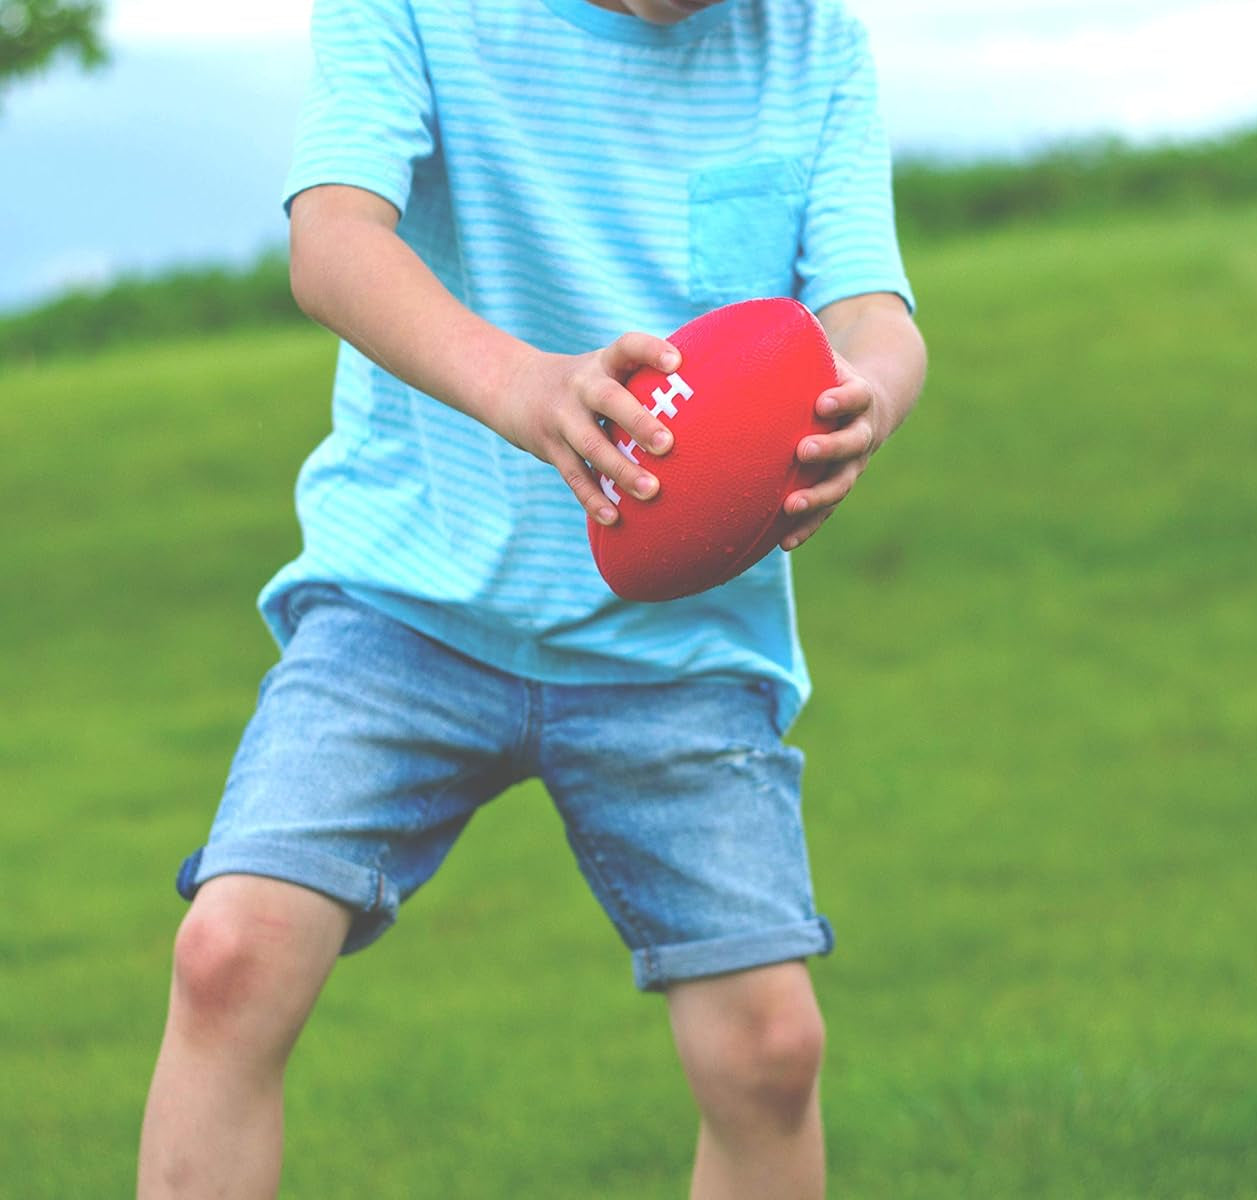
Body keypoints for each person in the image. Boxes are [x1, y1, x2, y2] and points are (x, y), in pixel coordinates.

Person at [137, 0, 926, 1195]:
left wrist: (865, 392)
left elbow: (871, 310)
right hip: (407, 603)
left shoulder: (812, 39)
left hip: (681, 646)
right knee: (232, 955)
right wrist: (525, 387)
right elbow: (334, 241)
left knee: (769, 1053)